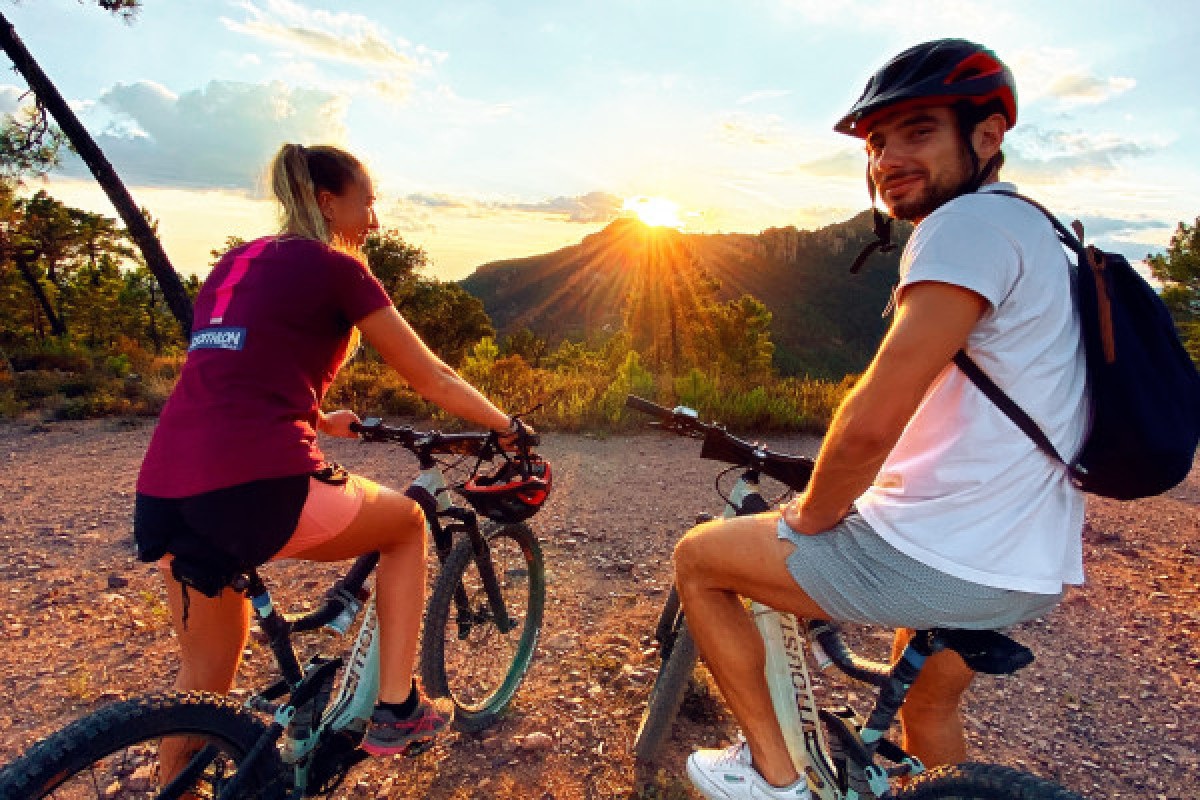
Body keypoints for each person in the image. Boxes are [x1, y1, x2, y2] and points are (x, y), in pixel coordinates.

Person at [674, 39, 1089, 800]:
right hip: (1031, 563)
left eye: (919, 130)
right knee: (926, 703)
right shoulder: (1044, 234)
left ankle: (772, 775)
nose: (889, 157)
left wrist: (810, 515)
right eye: (877, 141)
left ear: (988, 135)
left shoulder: (966, 226)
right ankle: (941, 785)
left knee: (701, 558)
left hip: (949, 553)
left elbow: (872, 418)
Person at [133, 143, 523, 764]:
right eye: (366, 203)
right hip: (257, 484)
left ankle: (177, 784)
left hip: (164, 491)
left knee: (204, 680)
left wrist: (317, 417)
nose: (374, 220)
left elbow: (230, 370)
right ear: (326, 201)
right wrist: (506, 427)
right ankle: (398, 709)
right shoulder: (337, 268)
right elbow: (433, 378)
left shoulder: (235, 261)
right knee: (406, 524)